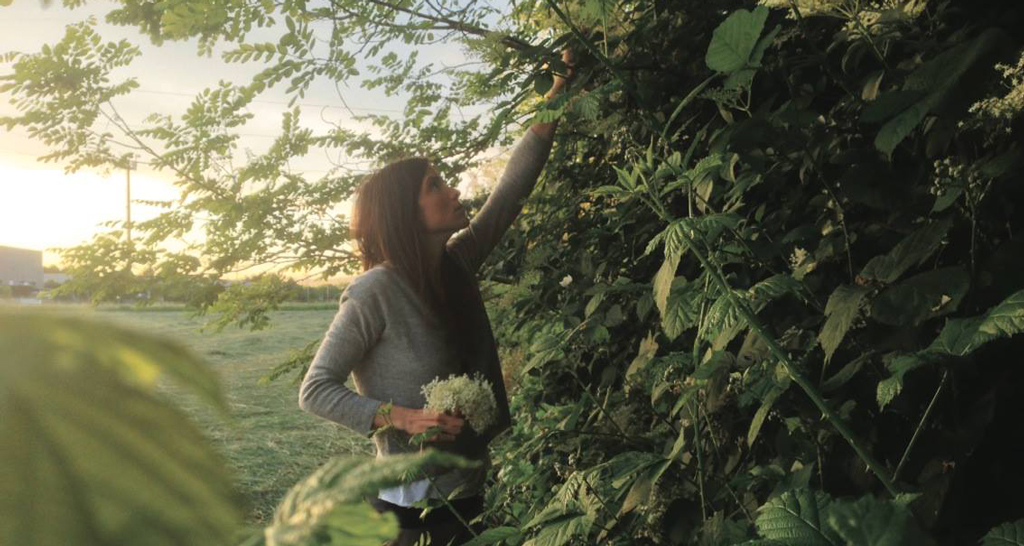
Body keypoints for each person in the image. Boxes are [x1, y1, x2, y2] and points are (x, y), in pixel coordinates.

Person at [298, 51, 573, 546]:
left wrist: (558, 91)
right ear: (404, 213)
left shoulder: (456, 263)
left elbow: (510, 192)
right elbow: (315, 388)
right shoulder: (374, 291)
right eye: (435, 185)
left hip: (466, 492)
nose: (452, 190)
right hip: (406, 510)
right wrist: (398, 417)